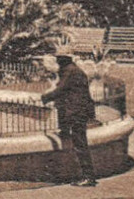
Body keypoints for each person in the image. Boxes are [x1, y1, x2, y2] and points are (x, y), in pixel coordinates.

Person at [41, 55, 98, 186]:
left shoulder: (70, 72)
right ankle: (88, 176)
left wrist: (44, 98)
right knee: (80, 143)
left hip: (77, 112)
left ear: (61, 62)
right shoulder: (73, 70)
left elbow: (60, 90)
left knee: (80, 145)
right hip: (79, 111)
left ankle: (88, 177)